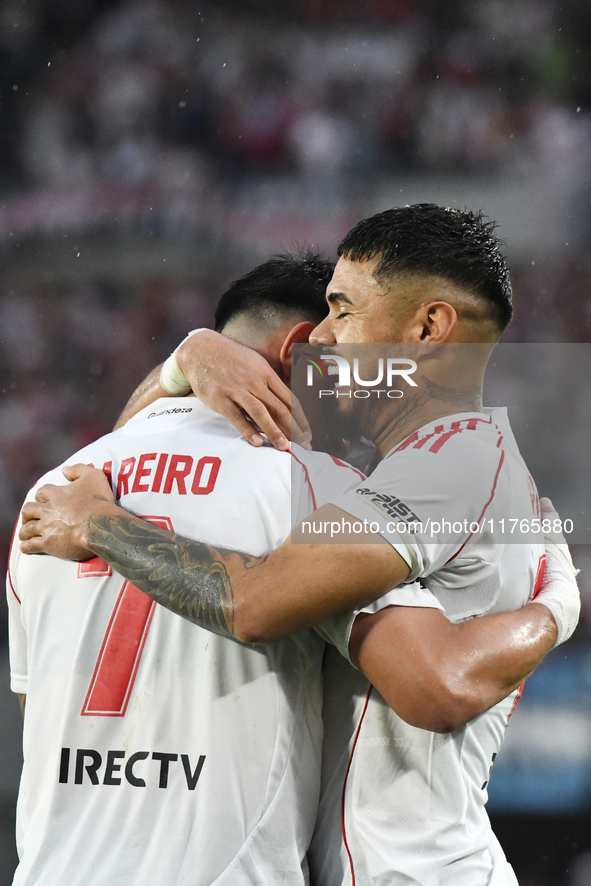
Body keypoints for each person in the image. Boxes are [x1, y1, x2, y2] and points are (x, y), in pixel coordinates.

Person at [19, 207, 580, 885]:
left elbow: (428, 679)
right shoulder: (346, 485)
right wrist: (187, 358)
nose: (324, 339)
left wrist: (100, 524)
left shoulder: (443, 468)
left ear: (428, 330)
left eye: (343, 311)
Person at [8, 253, 369, 886]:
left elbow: (36, 705)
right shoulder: (319, 491)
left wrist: (184, 358)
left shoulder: (54, 491)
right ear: (302, 350)